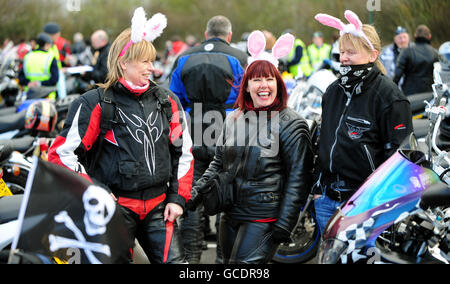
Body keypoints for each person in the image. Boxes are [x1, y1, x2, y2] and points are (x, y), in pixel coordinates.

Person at [48, 7, 194, 264]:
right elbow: (60, 155)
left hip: (160, 208)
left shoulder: (167, 101)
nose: (152, 68)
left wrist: (178, 198)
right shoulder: (95, 102)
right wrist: (97, 190)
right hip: (114, 211)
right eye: (145, 61)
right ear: (124, 62)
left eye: (152, 60)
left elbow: (183, 153)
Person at [189, 30, 313, 264]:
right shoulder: (234, 118)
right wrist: (193, 196)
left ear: (278, 84)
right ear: (246, 86)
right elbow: (218, 163)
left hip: (264, 217)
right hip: (230, 214)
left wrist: (286, 223)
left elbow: (299, 178)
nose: (263, 85)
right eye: (257, 79)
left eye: (269, 79)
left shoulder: (292, 123)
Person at [313, 10, 413, 234]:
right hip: (326, 200)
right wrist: (318, 188)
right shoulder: (333, 91)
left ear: (372, 55)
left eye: (351, 52)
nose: (344, 58)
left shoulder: (390, 97)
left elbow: (399, 159)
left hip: (362, 205)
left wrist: (377, 202)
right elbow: (324, 141)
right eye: (341, 52)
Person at [169, 15, 247, 264]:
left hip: (193, 130)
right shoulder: (239, 57)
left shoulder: (183, 57)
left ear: (206, 34)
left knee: (192, 196)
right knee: (227, 195)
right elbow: (247, 98)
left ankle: (190, 260)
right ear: (229, 34)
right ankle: (223, 260)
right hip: (228, 131)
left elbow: (174, 100)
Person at [393, 24, 439, 95]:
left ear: (415, 36)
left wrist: (392, 93)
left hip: (410, 94)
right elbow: (440, 76)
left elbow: (397, 75)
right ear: (429, 36)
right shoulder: (436, 53)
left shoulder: (406, 52)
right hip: (430, 94)